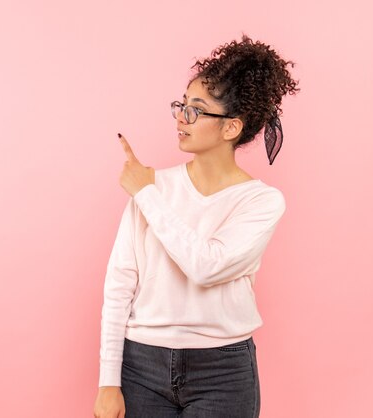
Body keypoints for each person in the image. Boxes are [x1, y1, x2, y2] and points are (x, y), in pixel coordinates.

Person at [93, 34, 300, 418]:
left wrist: (146, 195)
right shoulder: (152, 185)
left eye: (195, 110)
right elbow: (120, 282)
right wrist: (109, 382)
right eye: (181, 105)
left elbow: (206, 266)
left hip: (223, 372)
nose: (180, 118)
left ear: (230, 128)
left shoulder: (261, 202)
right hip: (141, 366)